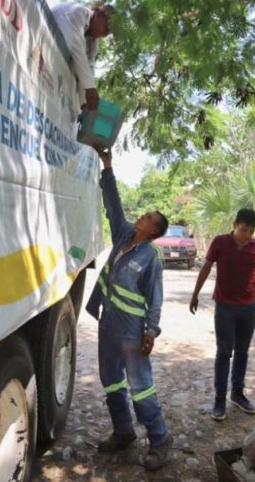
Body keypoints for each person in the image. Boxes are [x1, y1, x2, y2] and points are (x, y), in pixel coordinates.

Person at [84, 147, 173, 471]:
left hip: (132, 331)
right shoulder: (124, 236)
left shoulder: (152, 257)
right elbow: (113, 206)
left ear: (154, 232)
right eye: (145, 214)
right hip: (108, 324)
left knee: (140, 387)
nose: (143, 217)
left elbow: (156, 298)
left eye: (149, 218)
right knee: (111, 381)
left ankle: (160, 439)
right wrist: (107, 167)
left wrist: (151, 331)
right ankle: (123, 431)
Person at [189, 209, 255, 420]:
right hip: (225, 307)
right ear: (235, 225)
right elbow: (206, 268)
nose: (247, 235)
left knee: (242, 351)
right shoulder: (220, 242)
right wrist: (195, 294)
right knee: (224, 352)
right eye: (244, 229)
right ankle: (219, 398)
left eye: (251, 231)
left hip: (249, 307)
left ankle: (237, 393)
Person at [51, 1, 114, 112]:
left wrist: (84, 104)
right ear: (99, 15)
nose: (105, 34)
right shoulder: (78, 12)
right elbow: (77, 48)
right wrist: (90, 88)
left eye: (108, 33)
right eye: (106, 28)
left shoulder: (93, 43)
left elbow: (89, 68)